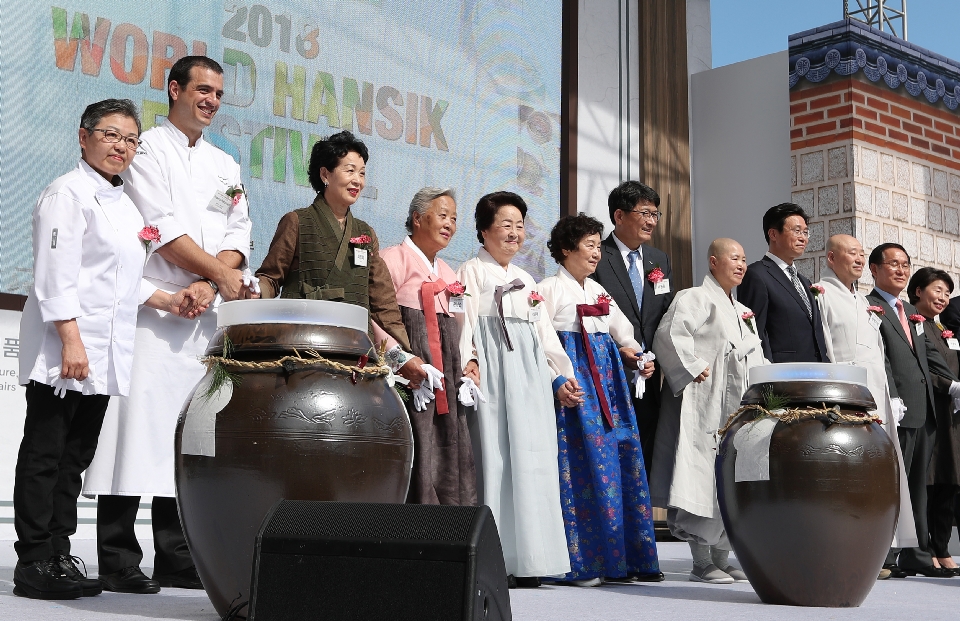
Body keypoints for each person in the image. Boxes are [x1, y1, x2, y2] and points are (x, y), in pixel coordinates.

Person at [82, 57, 255, 594]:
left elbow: (238, 227)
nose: (211, 101)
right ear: (174, 89)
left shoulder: (226, 163)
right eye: (202, 89)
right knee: (134, 433)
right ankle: (116, 553)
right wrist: (215, 276)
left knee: (185, 437)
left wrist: (213, 281)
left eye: (219, 93)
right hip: (156, 313)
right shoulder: (148, 149)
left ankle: (176, 553)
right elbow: (161, 228)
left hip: (202, 318)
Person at [14, 99, 198, 600]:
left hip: (102, 356)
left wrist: (168, 298)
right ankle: (32, 559)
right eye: (111, 135)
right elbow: (55, 277)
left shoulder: (124, 204)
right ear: (84, 136)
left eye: (131, 140)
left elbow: (124, 280)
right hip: (65, 353)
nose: (122, 147)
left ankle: (58, 551)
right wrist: (71, 340)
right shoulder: (66, 195)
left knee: (74, 458)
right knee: (45, 455)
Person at [457, 191, 582, 587]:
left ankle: (532, 560)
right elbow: (463, 326)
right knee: (496, 461)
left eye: (520, 225)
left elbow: (543, 334)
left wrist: (559, 376)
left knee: (534, 462)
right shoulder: (471, 273)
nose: (515, 233)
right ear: (483, 230)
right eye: (505, 224)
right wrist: (469, 361)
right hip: (495, 376)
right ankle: (498, 560)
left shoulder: (528, 279)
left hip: (528, 379)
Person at [537, 214, 661, 587]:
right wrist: (557, 378)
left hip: (608, 388)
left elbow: (622, 334)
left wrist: (638, 356)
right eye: (589, 245)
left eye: (596, 244)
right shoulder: (547, 290)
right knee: (578, 467)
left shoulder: (597, 292)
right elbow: (540, 343)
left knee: (619, 460)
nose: (595, 253)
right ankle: (580, 562)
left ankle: (623, 559)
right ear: (565, 249)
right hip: (576, 387)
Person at [253, 130, 427, 387]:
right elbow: (270, 277)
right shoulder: (297, 221)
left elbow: (383, 302)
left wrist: (403, 354)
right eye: (350, 171)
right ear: (325, 174)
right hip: (304, 346)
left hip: (355, 351)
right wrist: (254, 293)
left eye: (362, 173)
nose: (358, 180)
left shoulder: (366, 233)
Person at [650, 238, 766, 584]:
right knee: (700, 472)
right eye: (734, 257)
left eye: (745, 258)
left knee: (729, 476)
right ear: (713, 261)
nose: (742, 264)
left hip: (735, 406)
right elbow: (670, 335)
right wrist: (691, 365)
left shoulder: (742, 311)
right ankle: (701, 560)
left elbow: (754, 355)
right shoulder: (694, 297)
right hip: (703, 400)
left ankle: (722, 556)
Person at [814, 235, 917, 580]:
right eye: (852, 253)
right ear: (831, 257)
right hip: (845, 398)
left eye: (861, 253)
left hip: (877, 397)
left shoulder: (861, 300)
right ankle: (842, 550)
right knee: (847, 474)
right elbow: (824, 349)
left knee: (876, 474)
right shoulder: (822, 294)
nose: (859, 259)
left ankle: (876, 552)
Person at [866, 243, 959, 579]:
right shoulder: (870, 307)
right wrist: (890, 395)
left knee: (918, 485)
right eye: (893, 264)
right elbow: (881, 358)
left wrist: (953, 383)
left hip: (925, 412)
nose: (901, 270)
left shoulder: (909, 310)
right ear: (874, 269)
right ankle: (885, 552)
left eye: (905, 264)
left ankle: (916, 551)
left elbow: (928, 358)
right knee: (893, 483)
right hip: (898, 409)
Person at [379, 188, 477, 505]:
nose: (450, 224)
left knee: (450, 456)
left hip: (445, 382)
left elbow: (463, 328)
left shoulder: (449, 273)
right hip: (408, 379)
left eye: (454, 218)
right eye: (443, 215)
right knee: (414, 454)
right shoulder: (391, 259)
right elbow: (373, 318)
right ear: (417, 218)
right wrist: (400, 359)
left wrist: (470, 364)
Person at [591, 181, 671, 469]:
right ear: (619, 216)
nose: (651, 221)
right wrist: (622, 351)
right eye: (645, 213)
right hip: (611, 369)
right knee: (612, 445)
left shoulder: (657, 259)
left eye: (655, 214)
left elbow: (664, 312)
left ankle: (641, 511)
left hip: (650, 373)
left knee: (646, 443)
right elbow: (592, 317)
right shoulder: (596, 255)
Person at [906, 268, 960, 575]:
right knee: (927, 481)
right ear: (918, 291)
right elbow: (924, 369)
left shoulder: (942, 330)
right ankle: (924, 549)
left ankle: (941, 547)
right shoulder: (913, 324)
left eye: (947, 293)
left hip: (951, 416)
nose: (943, 298)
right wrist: (949, 387)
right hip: (930, 411)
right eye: (937, 290)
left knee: (948, 481)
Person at [737, 203, 829, 363]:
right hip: (781, 374)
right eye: (797, 231)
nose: (803, 238)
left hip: (815, 373)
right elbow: (754, 331)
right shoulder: (756, 274)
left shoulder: (804, 281)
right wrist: (766, 377)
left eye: (806, 232)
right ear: (773, 234)